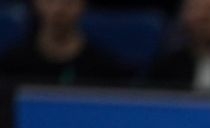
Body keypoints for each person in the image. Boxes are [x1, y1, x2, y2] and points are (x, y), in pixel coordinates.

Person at [0, 0, 133, 83]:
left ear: (82, 4)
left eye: (68, 2)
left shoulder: (105, 69)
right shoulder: (13, 64)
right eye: (50, 1)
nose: (58, 9)